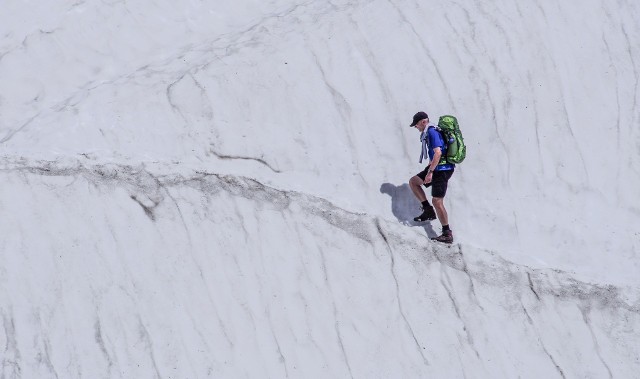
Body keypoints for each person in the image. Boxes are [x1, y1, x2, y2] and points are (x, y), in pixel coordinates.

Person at [408, 111, 455, 243]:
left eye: (416, 125)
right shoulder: (430, 132)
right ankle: (428, 211)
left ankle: (447, 233)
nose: (416, 127)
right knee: (414, 182)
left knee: (437, 201)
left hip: (442, 170)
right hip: (436, 168)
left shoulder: (432, 132)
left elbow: (438, 153)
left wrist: (430, 173)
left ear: (423, 122)